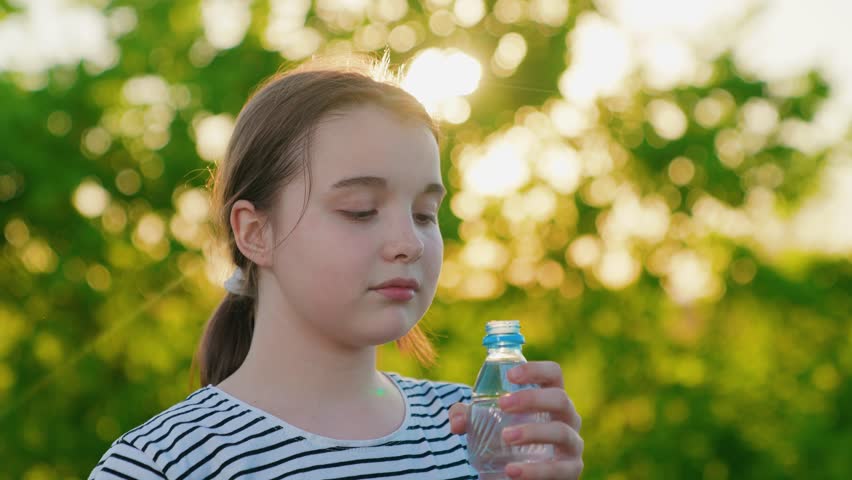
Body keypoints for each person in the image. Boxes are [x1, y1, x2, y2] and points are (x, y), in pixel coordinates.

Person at [89, 57, 583, 480]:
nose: (409, 243)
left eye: (424, 214)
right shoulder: (164, 464)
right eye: (361, 210)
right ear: (255, 232)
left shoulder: (473, 434)